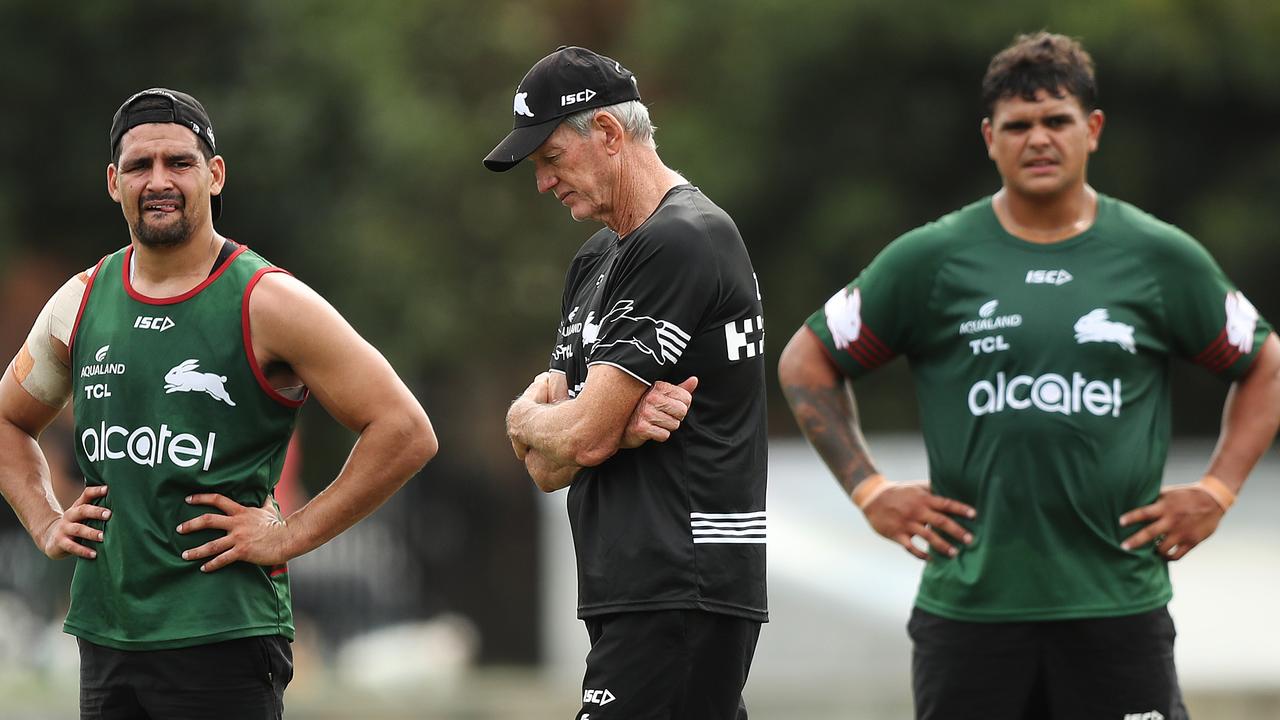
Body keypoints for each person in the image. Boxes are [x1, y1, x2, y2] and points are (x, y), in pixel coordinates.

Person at [778, 32, 1280, 720]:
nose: (1037, 139)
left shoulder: (1159, 258)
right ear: (990, 138)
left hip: (1117, 608)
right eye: (1017, 125)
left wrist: (1218, 491)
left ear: (1092, 129)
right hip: (972, 613)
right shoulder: (932, 260)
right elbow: (807, 360)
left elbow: (1266, 365)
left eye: (1056, 121)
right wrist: (868, 491)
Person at [0, 87, 437, 719]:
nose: (159, 181)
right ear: (113, 183)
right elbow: (10, 421)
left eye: (178, 162)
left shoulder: (267, 301)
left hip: (224, 640)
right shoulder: (81, 301)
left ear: (215, 173)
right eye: (140, 166)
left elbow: (405, 430)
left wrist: (289, 535)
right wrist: (44, 520)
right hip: (106, 636)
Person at [485, 47, 768, 719]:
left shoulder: (683, 238)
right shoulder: (595, 259)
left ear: (609, 135)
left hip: (681, 580)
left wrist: (539, 419)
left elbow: (576, 439)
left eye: (551, 159)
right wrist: (585, 424)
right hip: (630, 584)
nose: (543, 183)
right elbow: (546, 471)